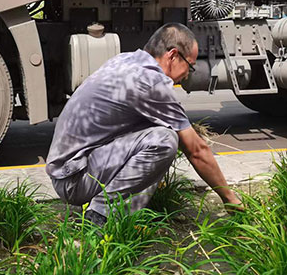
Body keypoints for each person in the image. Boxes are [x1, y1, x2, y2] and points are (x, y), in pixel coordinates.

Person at [46, 23, 241, 225]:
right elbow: (196, 150)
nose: (188, 74)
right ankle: (100, 216)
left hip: (70, 171)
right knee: (165, 140)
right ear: (173, 56)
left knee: (158, 130)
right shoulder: (151, 82)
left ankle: (118, 212)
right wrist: (230, 199)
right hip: (75, 180)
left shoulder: (125, 60)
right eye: (190, 66)